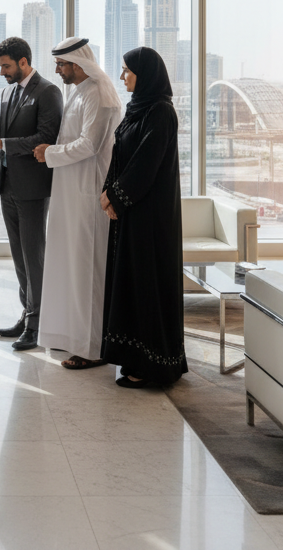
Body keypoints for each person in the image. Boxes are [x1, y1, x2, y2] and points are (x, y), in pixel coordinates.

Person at [100, 46, 188, 388]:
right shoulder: (137, 109)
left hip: (150, 217)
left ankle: (155, 366)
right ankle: (135, 358)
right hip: (132, 213)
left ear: (145, 73)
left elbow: (146, 164)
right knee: (132, 284)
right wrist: (109, 193)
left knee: (146, 283)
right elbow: (121, 152)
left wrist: (116, 197)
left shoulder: (161, 112)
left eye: (126, 70)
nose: (122, 76)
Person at [33, 37, 123, 368]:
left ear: (77, 64)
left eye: (61, 65)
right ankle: (69, 336)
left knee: (87, 270)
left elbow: (90, 144)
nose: (58, 71)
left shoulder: (98, 91)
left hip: (88, 194)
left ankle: (93, 348)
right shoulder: (82, 91)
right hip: (71, 191)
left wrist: (49, 153)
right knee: (70, 265)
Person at [0, 36, 63, 351]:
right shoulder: (7, 92)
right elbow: (2, 135)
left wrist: (3, 144)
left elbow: (47, 136)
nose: (2, 71)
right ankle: (27, 313)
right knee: (18, 256)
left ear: (23, 62)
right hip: (9, 186)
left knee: (34, 256)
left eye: (6, 65)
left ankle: (37, 323)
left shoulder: (48, 92)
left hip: (33, 187)